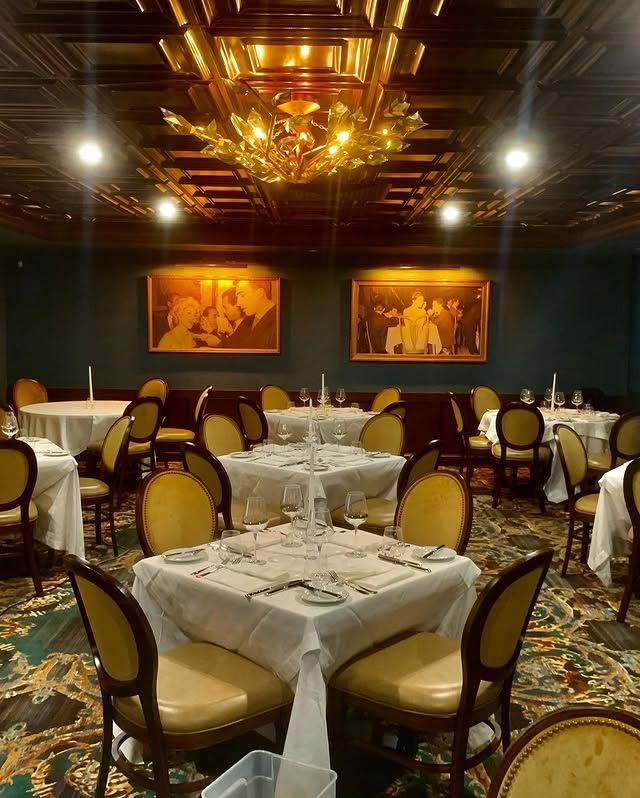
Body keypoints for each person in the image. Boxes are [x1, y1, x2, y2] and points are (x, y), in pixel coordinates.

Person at [231, 279, 278, 350]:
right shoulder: (249, 318)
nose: (238, 303)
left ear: (260, 293)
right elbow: (231, 343)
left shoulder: (279, 320)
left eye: (242, 295)